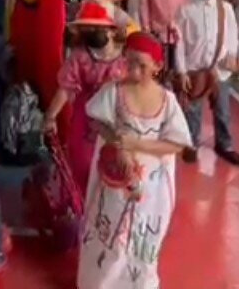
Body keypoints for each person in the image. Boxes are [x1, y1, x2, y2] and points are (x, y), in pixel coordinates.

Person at [76, 34, 192, 289]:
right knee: (112, 232)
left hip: (151, 188)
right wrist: (117, 143)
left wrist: (136, 145)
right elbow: (96, 120)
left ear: (157, 67)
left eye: (141, 65)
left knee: (142, 236)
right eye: (129, 63)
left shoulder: (167, 101)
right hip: (116, 181)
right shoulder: (115, 91)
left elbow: (177, 144)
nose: (134, 70)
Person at [45, 1, 129, 191]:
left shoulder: (125, 58)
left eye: (97, 27)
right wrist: (50, 116)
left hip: (118, 118)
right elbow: (65, 88)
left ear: (112, 30)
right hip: (85, 119)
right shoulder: (79, 56)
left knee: (115, 165)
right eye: (88, 28)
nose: (92, 31)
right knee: (82, 163)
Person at [174, 0, 239, 167]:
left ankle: (225, 144)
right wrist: (181, 70)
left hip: (220, 71)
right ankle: (191, 144)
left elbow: (233, 35)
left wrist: (232, 55)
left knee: (223, 110)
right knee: (192, 110)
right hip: (194, 69)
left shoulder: (225, 9)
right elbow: (179, 42)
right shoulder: (184, 10)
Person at [9, 0, 68, 107]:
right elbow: (16, 18)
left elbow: (56, 11)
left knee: (48, 79)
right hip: (26, 44)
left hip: (46, 43)